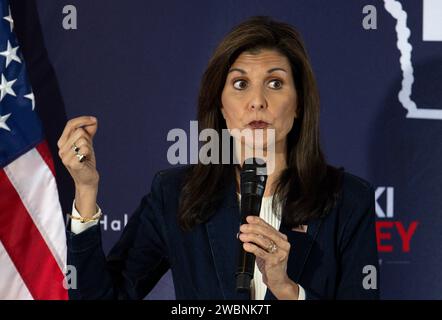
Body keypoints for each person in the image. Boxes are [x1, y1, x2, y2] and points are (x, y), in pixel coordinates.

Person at [57, 16, 379, 300]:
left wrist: (287, 290)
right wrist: (86, 191)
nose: (257, 101)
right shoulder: (176, 194)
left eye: (275, 83)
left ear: (299, 105)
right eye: (240, 84)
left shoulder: (347, 200)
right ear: (221, 107)